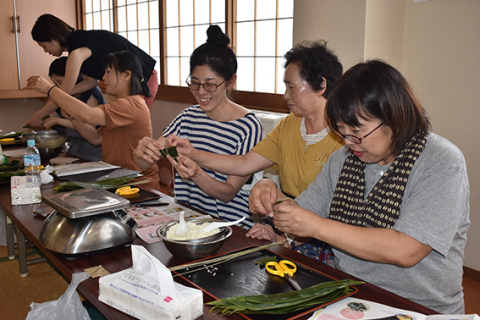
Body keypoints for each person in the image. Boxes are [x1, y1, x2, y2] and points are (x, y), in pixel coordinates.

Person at [250, 60, 470, 314]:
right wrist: (272, 194)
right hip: (350, 298)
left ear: (394, 118)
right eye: (341, 131)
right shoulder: (343, 159)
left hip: (418, 308)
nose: (348, 141)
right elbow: (304, 212)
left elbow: (407, 249)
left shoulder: (440, 160)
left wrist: (316, 226)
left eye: (357, 131)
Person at [167, 41, 345, 261]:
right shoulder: (289, 125)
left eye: (291, 86)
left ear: (321, 85)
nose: (285, 95)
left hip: (325, 240)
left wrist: (285, 237)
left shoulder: (344, 137)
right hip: (289, 228)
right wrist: (194, 154)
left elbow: (334, 213)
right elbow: (243, 164)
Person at [133, 25, 263, 229]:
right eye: (195, 83)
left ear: (230, 82)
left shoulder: (248, 126)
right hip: (188, 224)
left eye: (210, 85)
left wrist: (197, 175)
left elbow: (228, 193)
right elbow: (144, 163)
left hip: (228, 228)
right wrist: (142, 152)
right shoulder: (187, 117)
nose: (201, 92)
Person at [26, 51, 160, 190]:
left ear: (126, 75)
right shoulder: (123, 104)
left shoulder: (130, 104)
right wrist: (73, 116)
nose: (103, 77)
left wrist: (49, 89)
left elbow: (88, 115)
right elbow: (96, 138)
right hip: (121, 178)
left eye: (108, 72)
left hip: (138, 182)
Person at [27, 13, 158, 128]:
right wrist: (66, 92)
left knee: (132, 128)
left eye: (43, 46)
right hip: (134, 82)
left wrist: (38, 115)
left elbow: (62, 94)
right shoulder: (79, 45)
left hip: (144, 79)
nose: (46, 51)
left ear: (53, 39)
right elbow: (92, 82)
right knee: (123, 130)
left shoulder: (76, 52)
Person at [42, 56, 104, 161]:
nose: (59, 87)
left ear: (72, 77)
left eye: (60, 82)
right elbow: (53, 116)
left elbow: (90, 125)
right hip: (77, 151)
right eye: (55, 83)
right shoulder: (66, 96)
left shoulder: (91, 92)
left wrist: (56, 121)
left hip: (94, 153)